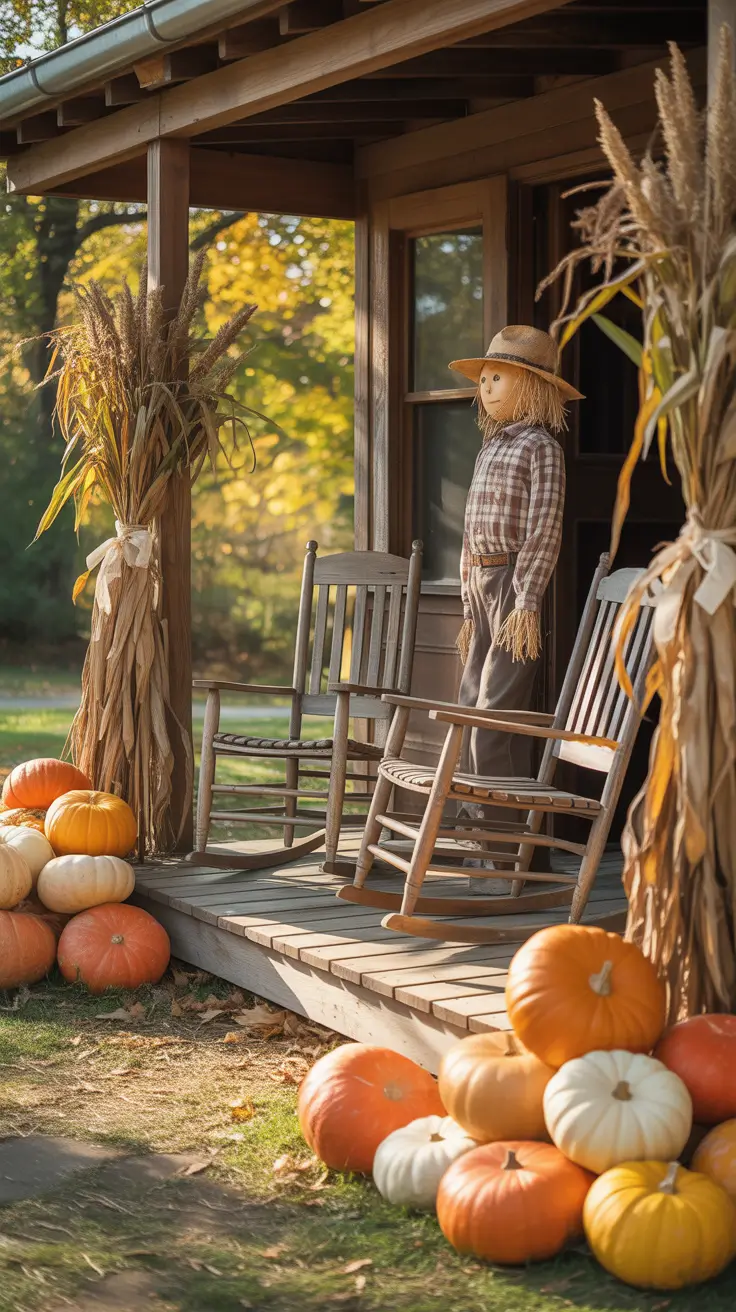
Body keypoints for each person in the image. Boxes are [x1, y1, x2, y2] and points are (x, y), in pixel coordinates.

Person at [448, 324, 583, 889]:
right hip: (481, 589)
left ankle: (504, 860)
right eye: (484, 378)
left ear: (531, 385)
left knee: (493, 724)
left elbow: (544, 532)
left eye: (499, 376)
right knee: (468, 712)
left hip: (512, 591)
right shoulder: (491, 446)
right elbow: (470, 531)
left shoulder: (541, 449)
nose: (487, 386)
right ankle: (491, 851)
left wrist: (524, 603)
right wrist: (465, 597)